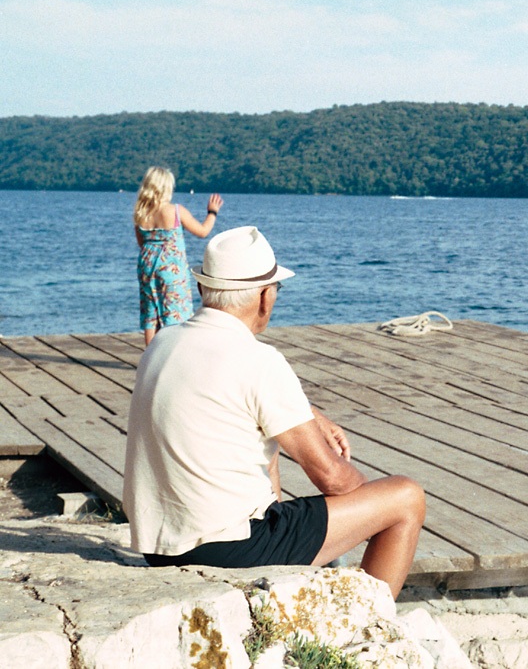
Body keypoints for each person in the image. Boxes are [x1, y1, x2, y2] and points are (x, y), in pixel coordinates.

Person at [123, 226, 426, 598]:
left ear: (203, 289)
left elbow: (230, 399)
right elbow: (332, 478)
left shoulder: (163, 343)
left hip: (161, 549)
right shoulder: (259, 360)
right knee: (406, 497)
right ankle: (365, 623)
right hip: (228, 550)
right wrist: (365, 507)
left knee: (266, 445)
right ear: (265, 297)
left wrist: (305, 412)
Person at [133, 166, 224, 346]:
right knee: (174, 311)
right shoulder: (174, 210)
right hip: (170, 266)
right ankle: (172, 353)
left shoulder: (141, 212)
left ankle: (150, 355)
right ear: (166, 188)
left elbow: (141, 242)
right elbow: (203, 231)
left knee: (151, 311)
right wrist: (212, 212)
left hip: (147, 263)